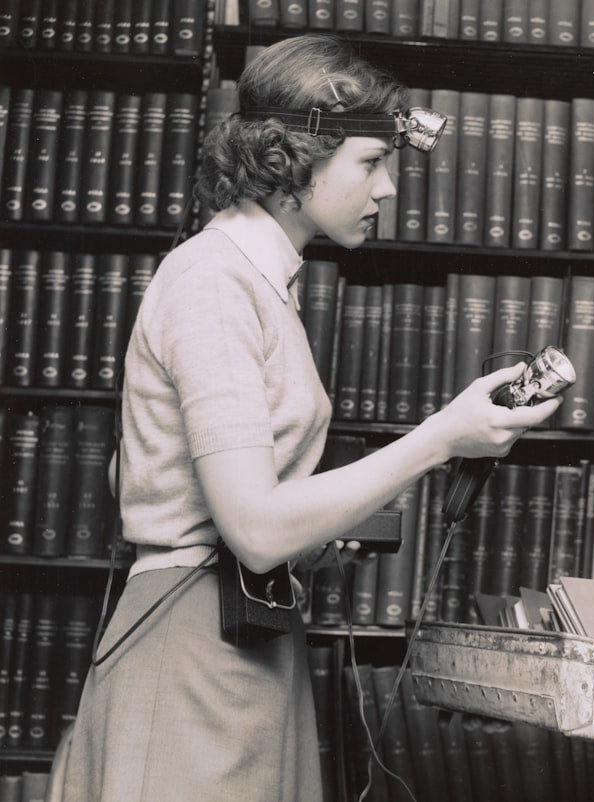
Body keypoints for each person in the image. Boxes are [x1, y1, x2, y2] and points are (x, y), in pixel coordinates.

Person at [58, 34, 561, 801]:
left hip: (245, 638)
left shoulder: (262, 284)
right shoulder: (214, 280)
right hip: (196, 650)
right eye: (369, 163)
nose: (388, 187)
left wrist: (321, 534)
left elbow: (150, 474)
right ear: (289, 158)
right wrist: (437, 440)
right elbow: (254, 530)